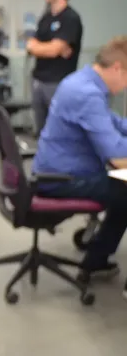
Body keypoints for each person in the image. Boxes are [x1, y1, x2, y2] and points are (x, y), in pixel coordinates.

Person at [32, 36, 127, 291]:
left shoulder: (83, 82)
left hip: (56, 170)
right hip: (61, 179)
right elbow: (116, 152)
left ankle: (96, 259)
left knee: (123, 194)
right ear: (117, 67)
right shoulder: (87, 94)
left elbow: (114, 125)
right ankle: (95, 259)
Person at [27, 0, 83, 135]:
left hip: (57, 82)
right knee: (41, 131)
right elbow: (31, 45)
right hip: (38, 80)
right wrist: (50, 48)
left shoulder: (70, 18)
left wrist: (48, 48)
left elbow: (53, 50)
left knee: (58, 131)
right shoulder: (46, 17)